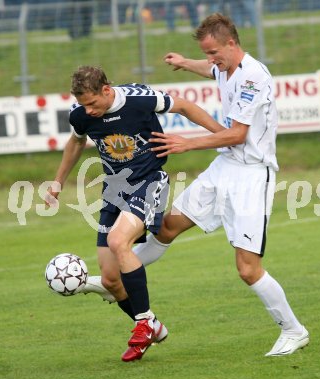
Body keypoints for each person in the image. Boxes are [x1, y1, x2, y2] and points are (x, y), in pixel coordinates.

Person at [132, 13, 309, 357]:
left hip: (251, 175)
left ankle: (294, 330)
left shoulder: (254, 77)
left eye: (214, 52)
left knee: (247, 269)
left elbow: (238, 134)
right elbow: (209, 68)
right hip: (224, 167)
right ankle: (121, 275)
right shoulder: (223, 66)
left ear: (231, 43)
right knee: (167, 227)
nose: (211, 60)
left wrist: (187, 143)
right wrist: (185, 63)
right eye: (206, 54)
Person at [46, 65, 226, 362]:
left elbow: (184, 105)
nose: (88, 110)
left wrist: (223, 135)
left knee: (119, 242)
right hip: (114, 191)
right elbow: (76, 142)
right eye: (82, 104)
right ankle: (152, 326)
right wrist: (57, 181)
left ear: (106, 90)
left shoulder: (139, 99)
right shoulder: (80, 114)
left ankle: (144, 321)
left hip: (149, 181)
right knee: (110, 279)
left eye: (92, 103)